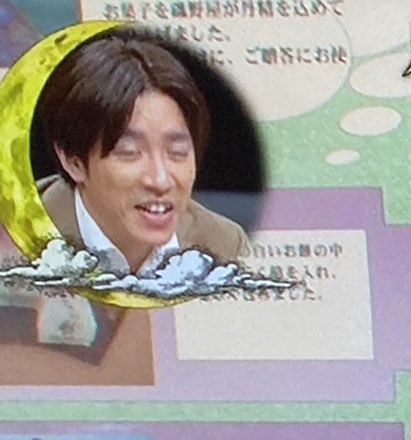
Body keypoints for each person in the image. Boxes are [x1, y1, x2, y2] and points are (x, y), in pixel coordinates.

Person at [30, 29, 250, 277]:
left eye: (177, 152)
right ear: (73, 161)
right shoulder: (18, 232)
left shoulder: (225, 245)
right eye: (130, 152)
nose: (160, 181)